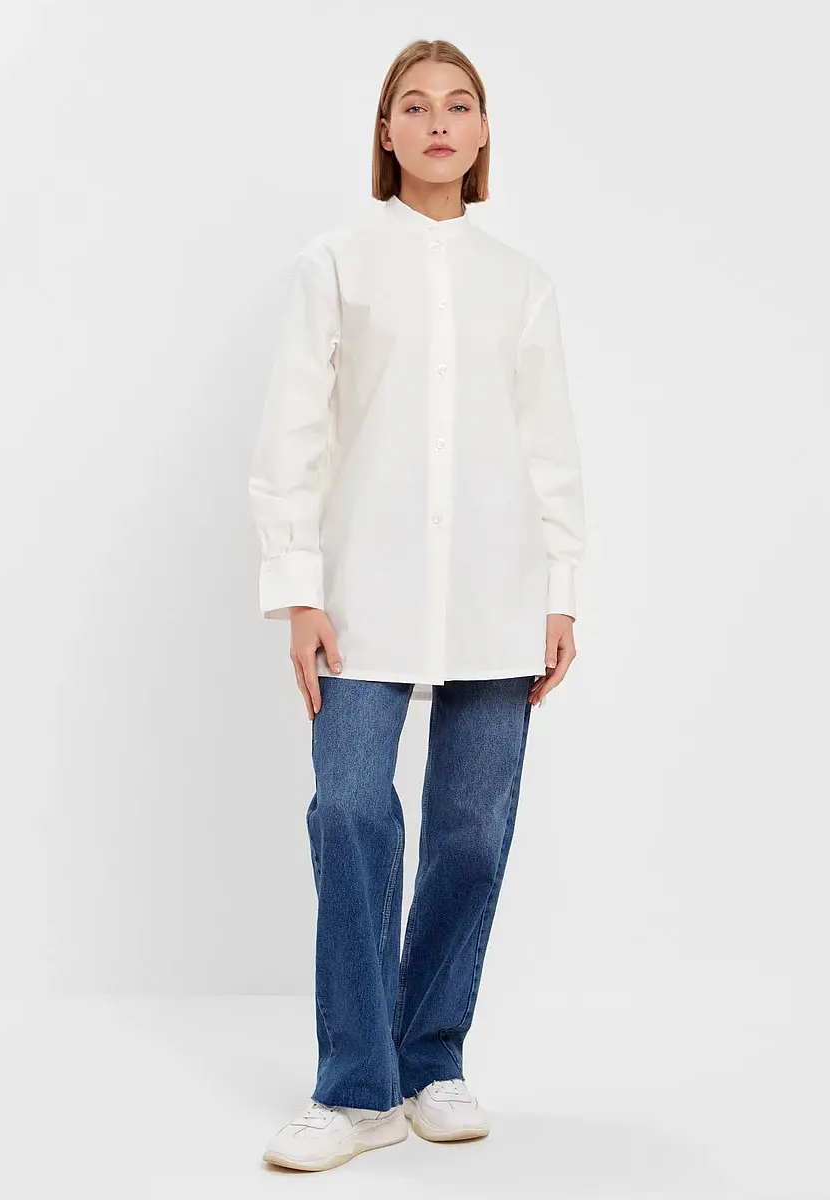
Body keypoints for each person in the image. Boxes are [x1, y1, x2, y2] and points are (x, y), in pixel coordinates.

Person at [250, 37, 586, 1173]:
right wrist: (297, 588)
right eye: (415, 105)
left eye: (460, 105)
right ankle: (355, 1089)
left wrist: (563, 590)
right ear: (386, 133)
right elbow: (293, 434)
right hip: (362, 589)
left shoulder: (521, 284)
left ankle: (430, 1058)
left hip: (499, 588)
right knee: (349, 811)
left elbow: (550, 450)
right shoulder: (337, 264)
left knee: (471, 833)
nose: (439, 122)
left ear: (483, 133)